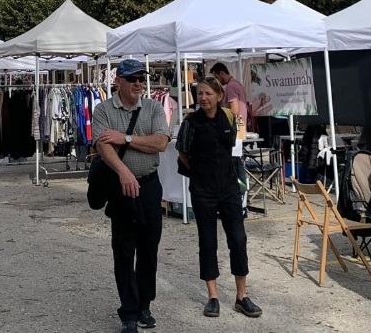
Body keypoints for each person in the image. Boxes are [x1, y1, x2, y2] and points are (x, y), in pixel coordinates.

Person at [92, 59, 170, 333]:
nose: (138, 83)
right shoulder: (103, 110)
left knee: (149, 250)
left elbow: (160, 142)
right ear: (119, 81)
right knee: (124, 251)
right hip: (121, 188)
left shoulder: (153, 107)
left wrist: (124, 138)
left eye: (141, 78)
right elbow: (103, 147)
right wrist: (124, 172)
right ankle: (128, 313)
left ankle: (144, 304)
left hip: (149, 186)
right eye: (133, 78)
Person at [176, 77, 261, 319]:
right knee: (208, 242)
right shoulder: (191, 122)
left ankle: (241, 296)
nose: (203, 98)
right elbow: (182, 151)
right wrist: (198, 173)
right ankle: (213, 297)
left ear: (219, 96)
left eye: (208, 94)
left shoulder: (229, 117)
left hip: (228, 189)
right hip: (203, 190)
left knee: (238, 239)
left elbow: (234, 148)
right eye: (200, 93)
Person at [210, 63, 248, 127]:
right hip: (241, 124)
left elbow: (234, 110)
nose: (216, 80)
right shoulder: (237, 83)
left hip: (236, 125)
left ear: (222, 73)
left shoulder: (231, 86)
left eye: (216, 77)